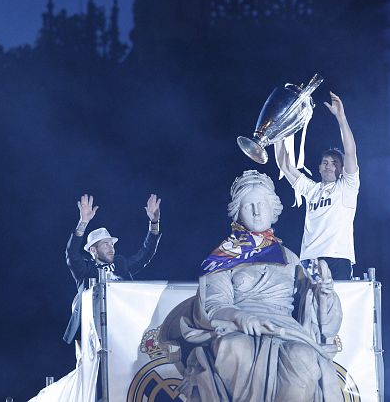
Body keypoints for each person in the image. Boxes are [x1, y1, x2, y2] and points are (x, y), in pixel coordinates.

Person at [160, 170, 343, 402]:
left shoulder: (290, 258)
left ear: (273, 209)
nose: (257, 211)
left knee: (304, 356)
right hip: (238, 327)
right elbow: (214, 306)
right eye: (249, 205)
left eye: (262, 204)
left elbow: (312, 312)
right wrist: (241, 318)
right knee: (235, 349)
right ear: (238, 212)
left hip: (286, 330)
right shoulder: (223, 257)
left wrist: (323, 293)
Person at [274, 91, 359, 280]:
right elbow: (285, 165)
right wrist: (278, 131)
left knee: (337, 308)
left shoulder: (347, 187)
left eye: (335, 163)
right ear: (319, 168)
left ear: (342, 169)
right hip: (309, 259)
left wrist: (341, 117)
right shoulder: (311, 189)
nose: (329, 166)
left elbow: (350, 152)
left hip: (338, 259)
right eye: (325, 162)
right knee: (308, 308)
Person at [62, 193, 162, 345]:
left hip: (121, 325)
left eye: (112, 244)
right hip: (93, 331)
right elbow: (72, 254)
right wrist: (83, 222)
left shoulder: (120, 264)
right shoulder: (86, 270)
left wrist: (154, 222)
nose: (111, 248)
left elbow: (145, 254)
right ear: (93, 250)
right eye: (106, 244)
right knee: (95, 366)